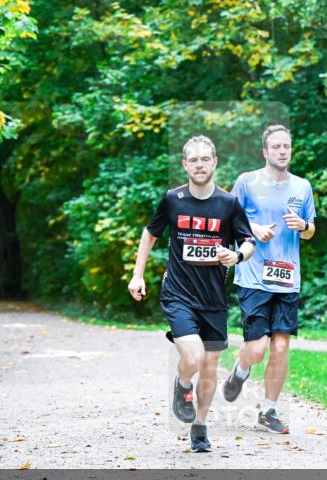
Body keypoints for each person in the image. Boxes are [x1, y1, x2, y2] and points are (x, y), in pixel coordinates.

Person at [128, 135, 255, 453]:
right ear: (185, 165)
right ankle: (182, 384)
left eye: (205, 159)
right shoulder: (173, 199)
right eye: (193, 160)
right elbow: (150, 233)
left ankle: (199, 427)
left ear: (215, 162)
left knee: (210, 365)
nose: (200, 164)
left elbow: (249, 241)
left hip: (213, 299)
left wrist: (236, 257)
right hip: (178, 294)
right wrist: (137, 275)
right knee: (194, 356)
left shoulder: (228, 204)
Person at [222, 124, 316, 434]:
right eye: (275, 146)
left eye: (286, 146)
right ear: (265, 152)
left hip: (288, 279)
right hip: (253, 277)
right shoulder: (247, 182)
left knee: (280, 347)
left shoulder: (302, 187)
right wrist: (253, 228)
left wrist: (303, 225)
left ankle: (269, 411)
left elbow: (311, 230)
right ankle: (242, 368)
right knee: (259, 347)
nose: (282, 151)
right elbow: (228, 218)